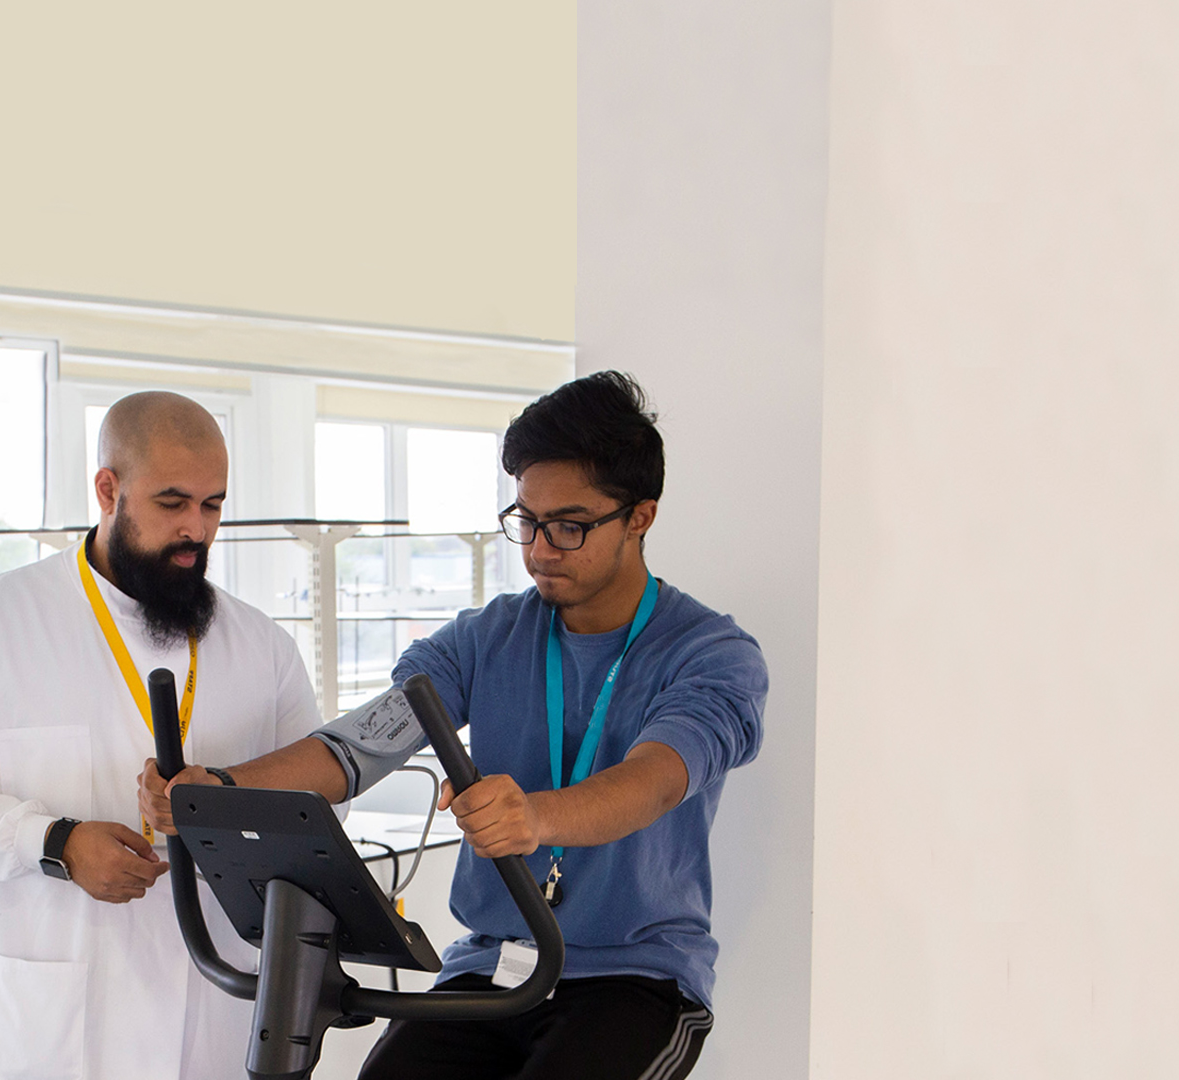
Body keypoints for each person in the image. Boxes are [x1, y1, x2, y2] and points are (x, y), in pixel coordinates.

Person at [140, 371, 767, 1080]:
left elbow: (654, 782)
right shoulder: (485, 637)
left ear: (641, 516)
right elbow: (360, 745)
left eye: (570, 527)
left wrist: (534, 817)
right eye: (526, 521)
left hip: (634, 978)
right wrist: (218, 789)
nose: (538, 550)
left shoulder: (710, 654)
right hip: (495, 964)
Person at [0, 390, 322, 1080]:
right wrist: (53, 841)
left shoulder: (261, 645)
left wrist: (226, 805)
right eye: (172, 503)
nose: (196, 530)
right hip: (54, 1018)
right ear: (107, 489)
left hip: (213, 1001)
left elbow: (323, 797)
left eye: (213, 505)